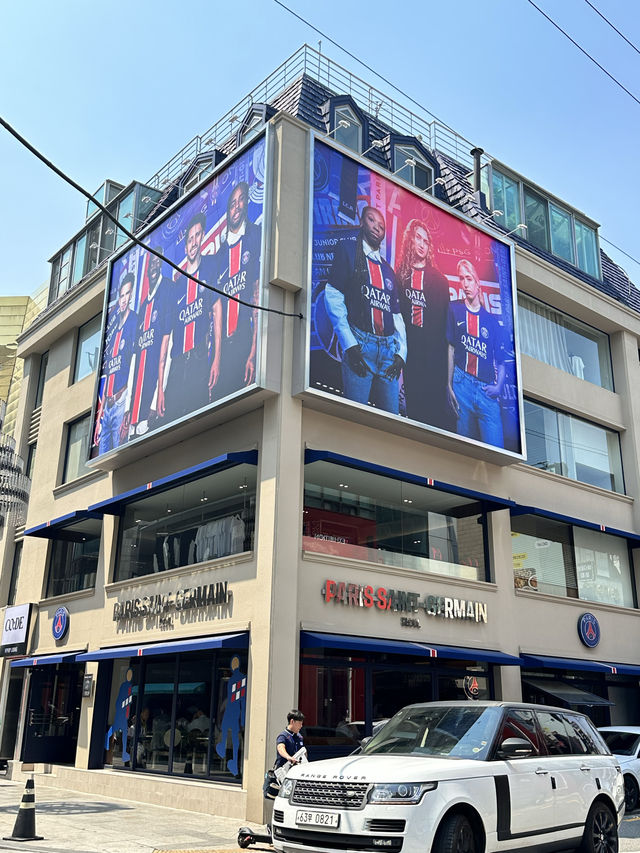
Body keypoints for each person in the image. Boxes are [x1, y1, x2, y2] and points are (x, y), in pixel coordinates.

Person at [324, 206, 406, 414]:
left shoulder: (388, 270)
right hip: (360, 345)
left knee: (391, 423)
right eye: (371, 220)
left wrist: (401, 354)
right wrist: (349, 344)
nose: (376, 227)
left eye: (381, 225)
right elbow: (333, 295)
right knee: (355, 419)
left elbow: (396, 315)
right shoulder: (348, 251)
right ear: (362, 221)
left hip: (388, 352)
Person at [396, 219, 453, 430]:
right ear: (409, 240)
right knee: (412, 421)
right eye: (417, 238)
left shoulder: (440, 281)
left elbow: (445, 330)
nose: (421, 244)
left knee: (435, 423)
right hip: (409, 361)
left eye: (426, 241)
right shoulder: (399, 276)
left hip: (434, 365)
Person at [157, 213, 215, 422]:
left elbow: (216, 314)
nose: (193, 242)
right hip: (177, 365)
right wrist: (160, 389)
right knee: (170, 426)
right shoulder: (176, 287)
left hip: (199, 360)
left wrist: (215, 360)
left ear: (203, 238)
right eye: (189, 238)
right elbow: (165, 339)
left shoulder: (210, 268)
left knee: (200, 423)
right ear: (185, 246)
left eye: (197, 236)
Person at [209, 182, 261, 401]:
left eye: (241, 200)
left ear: (247, 202)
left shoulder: (256, 235)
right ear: (228, 211)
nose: (237, 206)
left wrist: (253, 352)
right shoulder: (219, 256)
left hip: (245, 340)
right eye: (232, 203)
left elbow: (258, 298)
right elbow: (216, 311)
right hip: (223, 348)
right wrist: (216, 360)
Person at [446, 259, 505, 446]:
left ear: (477, 283)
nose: (465, 284)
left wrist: (499, 387)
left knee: (496, 447)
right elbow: (450, 349)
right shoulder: (454, 309)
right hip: (461, 384)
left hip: (486, 390)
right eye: (462, 279)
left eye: (469, 278)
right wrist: (448, 385)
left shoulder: (492, 322)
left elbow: (502, 362)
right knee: (465, 449)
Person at [129, 248, 169, 437]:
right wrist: (129, 406)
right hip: (137, 410)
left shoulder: (168, 289)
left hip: (155, 403)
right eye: (151, 262)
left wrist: (155, 400)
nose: (154, 265)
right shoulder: (144, 305)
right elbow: (135, 359)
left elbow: (169, 345)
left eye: (157, 261)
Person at [95, 274, 137, 453]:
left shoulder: (134, 321)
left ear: (131, 295)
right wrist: (98, 418)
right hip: (107, 408)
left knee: (121, 455)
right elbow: (108, 373)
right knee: (103, 458)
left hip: (121, 403)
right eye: (121, 295)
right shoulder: (112, 332)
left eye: (127, 294)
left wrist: (128, 408)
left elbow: (135, 364)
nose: (123, 299)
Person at [215, 655, 247, 776]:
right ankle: (233, 769)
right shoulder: (228, 700)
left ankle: (236, 769)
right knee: (232, 749)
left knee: (237, 750)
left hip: (237, 729)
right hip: (231, 729)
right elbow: (222, 714)